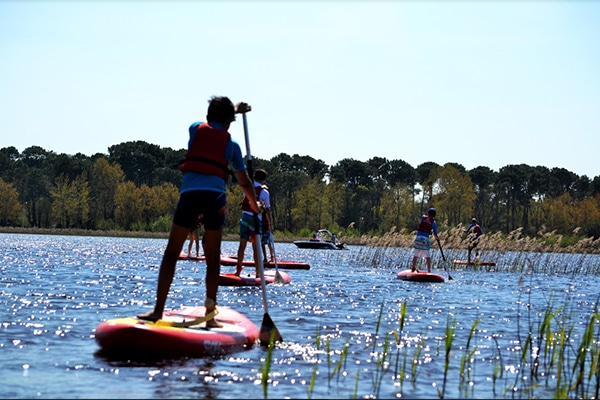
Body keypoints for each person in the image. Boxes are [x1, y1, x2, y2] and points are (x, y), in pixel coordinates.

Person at [137, 96, 260, 328]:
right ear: (230, 121)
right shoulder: (232, 146)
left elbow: (217, 120)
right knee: (213, 258)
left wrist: (232, 110)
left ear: (207, 117)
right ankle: (210, 317)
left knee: (171, 253)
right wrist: (254, 205)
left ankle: (157, 311)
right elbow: (244, 182)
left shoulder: (195, 129)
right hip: (214, 198)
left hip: (190, 196)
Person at [235, 169, 271, 275]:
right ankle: (258, 272)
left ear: (254, 177)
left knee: (242, 245)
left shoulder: (247, 188)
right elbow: (267, 210)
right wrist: (270, 224)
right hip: (256, 220)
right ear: (263, 179)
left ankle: (238, 270)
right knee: (256, 247)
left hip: (245, 217)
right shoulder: (265, 192)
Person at [411, 207, 440, 273]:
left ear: (428, 213)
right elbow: (435, 234)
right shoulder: (434, 223)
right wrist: (437, 238)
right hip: (425, 239)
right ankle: (429, 270)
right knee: (427, 257)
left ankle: (413, 267)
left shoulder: (423, 217)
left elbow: (422, 220)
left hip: (418, 238)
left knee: (416, 255)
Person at [260, 183, 275, 263]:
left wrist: (270, 225)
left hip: (266, 225)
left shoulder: (266, 208)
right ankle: (265, 258)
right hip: (262, 225)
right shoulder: (260, 207)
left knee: (269, 242)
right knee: (262, 242)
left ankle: (272, 257)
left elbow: (267, 212)